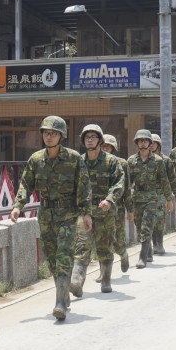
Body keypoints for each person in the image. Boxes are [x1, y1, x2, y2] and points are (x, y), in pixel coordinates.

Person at [10, 116, 92, 321]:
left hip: (68, 214)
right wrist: (18, 206)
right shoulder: (36, 159)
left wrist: (86, 212)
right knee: (53, 258)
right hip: (46, 215)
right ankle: (63, 292)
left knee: (64, 255)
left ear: (61, 136)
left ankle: (60, 303)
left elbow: (84, 187)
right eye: (46, 132)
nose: (49, 136)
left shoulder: (74, 159)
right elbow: (26, 184)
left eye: (53, 133)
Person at [69, 124, 125, 296]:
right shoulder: (79, 162)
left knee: (105, 247)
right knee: (81, 246)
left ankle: (106, 279)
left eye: (93, 137)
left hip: (105, 211)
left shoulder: (111, 161)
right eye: (87, 137)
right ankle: (77, 282)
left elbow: (119, 183)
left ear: (100, 140)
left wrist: (110, 199)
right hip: (85, 211)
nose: (90, 140)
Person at [127, 129, 172, 268]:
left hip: (152, 198)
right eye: (140, 141)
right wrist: (127, 202)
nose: (142, 143)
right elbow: (127, 183)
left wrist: (169, 200)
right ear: (137, 143)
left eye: (145, 140)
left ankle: (142, 257)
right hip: (137, 198)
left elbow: (164, 181)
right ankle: (149, 251)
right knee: (139, 227)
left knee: (147, 227)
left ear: (150, 143)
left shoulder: (158, 161)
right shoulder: (132, 161)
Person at [98, 134, 131, 281]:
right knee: (101, 240)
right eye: (103, 146)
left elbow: (127, 188)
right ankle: (103, 272)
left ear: (113, 148)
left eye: (108, 147)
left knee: (117, 239)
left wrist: (130, 209)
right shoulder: (94, 162)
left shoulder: (122, 163)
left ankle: (123, 254)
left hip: (118, 207)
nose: (105, 149)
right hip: (99, 208)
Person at [149, 134, 176, 254]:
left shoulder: (166, 160)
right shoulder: (143, 159)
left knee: (160, 218)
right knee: (150, 220)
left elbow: (173, 178)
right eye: (149, 143)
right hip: (147, 194)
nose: (151, 146)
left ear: (158, 145)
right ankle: (152, 245)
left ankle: (159, 244)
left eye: (154, 143)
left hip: (161, 193)